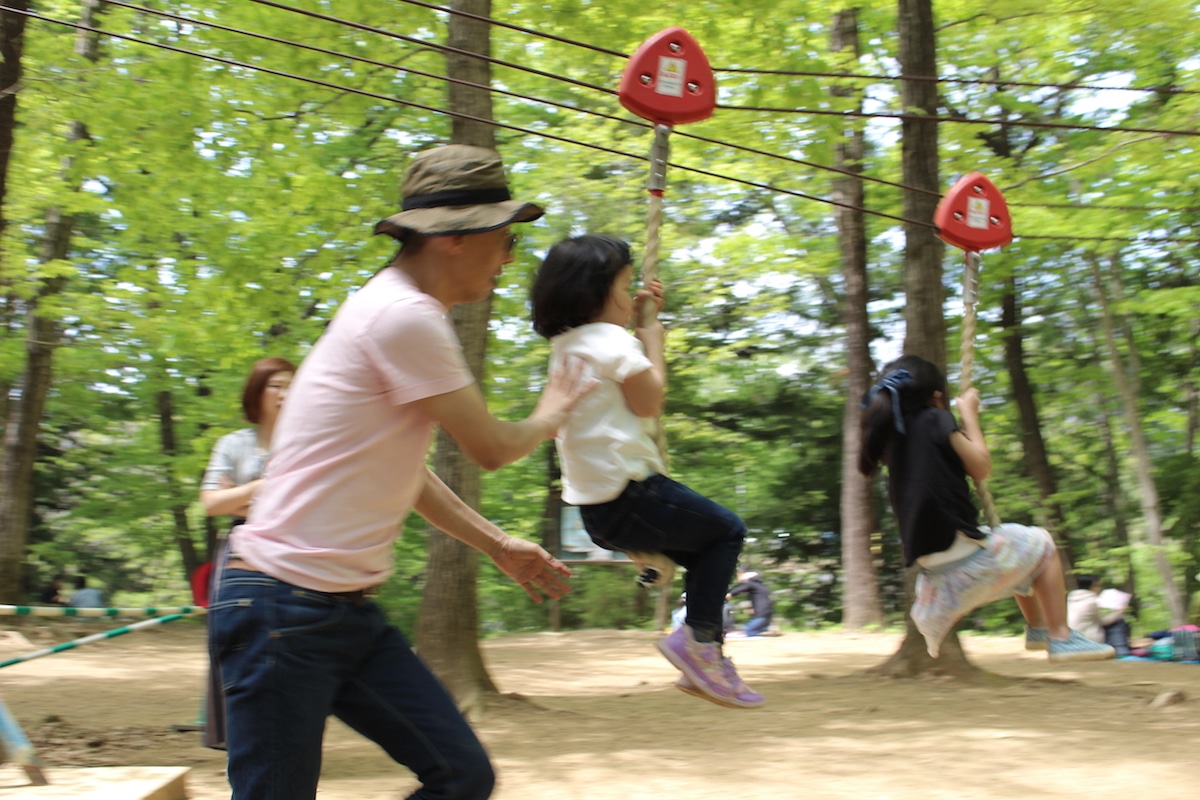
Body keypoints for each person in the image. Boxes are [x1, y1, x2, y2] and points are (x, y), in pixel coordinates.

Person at [209, 144, 593, 800]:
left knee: (460, 776)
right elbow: (493, 447)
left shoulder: (396, 312)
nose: (508, 257)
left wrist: (498, 544)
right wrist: (553, 412)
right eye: (502, 237)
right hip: (281, 607)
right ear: (453, 237)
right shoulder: (402, 317)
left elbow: (403, 473)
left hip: (340, 613)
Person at [529, 234, 762, 710]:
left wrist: (635, 324)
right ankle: (698, 643)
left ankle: (703, 654)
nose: (633, 294)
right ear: (596, 293)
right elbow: (649, 401)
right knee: (727, 532)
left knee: (705, 557)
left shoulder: (566, 347)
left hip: (598, 512)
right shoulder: (609, 340)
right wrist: (651, 333)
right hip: (632, 494)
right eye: (626, 284)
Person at [857, 355, 1114, 664]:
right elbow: (981, 467)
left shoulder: (892, 441)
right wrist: (969, 415)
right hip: (966, 564)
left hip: (935, 572)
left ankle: (1037, 628)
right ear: (937, 397)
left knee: (1013, 542)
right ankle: (1060, 635)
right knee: (1042, 543)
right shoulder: (936, 419)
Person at [196, 356, 295, 749]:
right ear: (257, 393)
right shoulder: (234, 444)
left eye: (292, 385)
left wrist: (242, 494)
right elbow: (212, 504)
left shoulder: (307, 443)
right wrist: (263, 489)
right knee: (239, 645)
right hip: (241, 554)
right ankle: (237, 737)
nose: (286, 394)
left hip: (294, 550)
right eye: (278, 386)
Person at [1067, 574, 1128, 644]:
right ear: (1092, 586)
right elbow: (1102, 622)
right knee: (1119, 622)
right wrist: (1120, 611)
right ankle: (1121, 650)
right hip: (1086, 640)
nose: (1101, 589)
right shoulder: (1091, 601)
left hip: (1073, 637)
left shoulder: (1073, 598)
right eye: (1099, 585)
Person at [728, 570, 774, 637]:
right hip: (767, 615)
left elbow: (737, 590)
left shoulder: (750, 583)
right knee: (750, 630)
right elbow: (764, 601)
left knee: (748, 631)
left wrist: (729, 595)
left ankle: (761, 630)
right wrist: (754, 610)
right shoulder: (761, 585)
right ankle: (764, 629)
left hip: (761, 616)